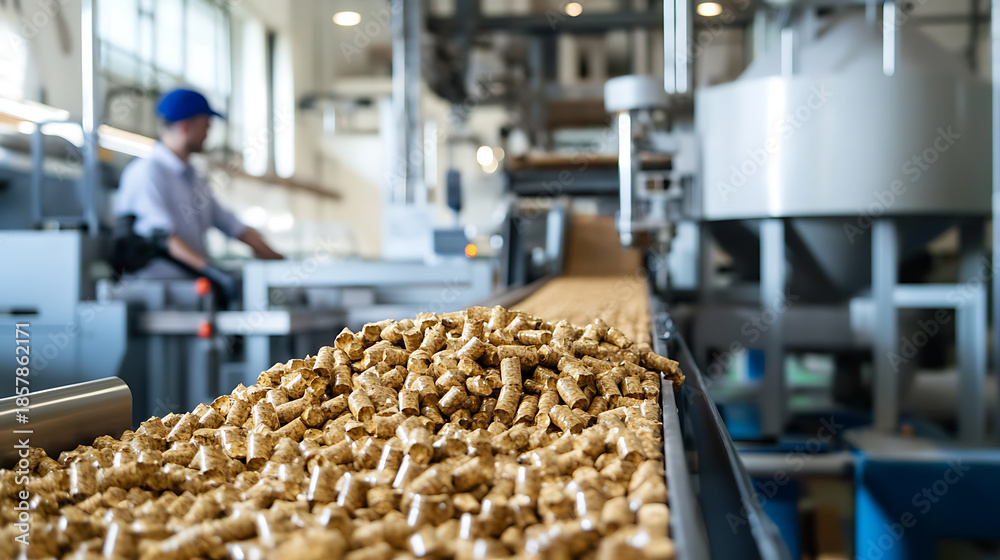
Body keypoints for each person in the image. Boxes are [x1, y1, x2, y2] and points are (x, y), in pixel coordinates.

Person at [115, 88, 283, 282]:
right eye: (206, 125)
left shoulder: (193, 176)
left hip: (191, 287)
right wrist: (213, 273)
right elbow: (165, 239)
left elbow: (230, 224)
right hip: (159, 291)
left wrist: (274, 257)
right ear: (185, 127)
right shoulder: (147, 173)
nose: (208, 133)